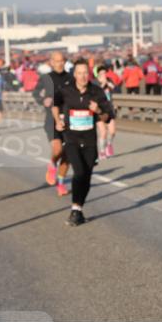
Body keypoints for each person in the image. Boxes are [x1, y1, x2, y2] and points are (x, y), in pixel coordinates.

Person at [53, 62, 112, 226]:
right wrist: (57, 121)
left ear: (89, 74)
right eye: (79, 73)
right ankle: (74, 210)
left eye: (85, 73)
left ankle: (78, 210)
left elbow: (108, 115)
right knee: (79, 172)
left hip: (90, 141)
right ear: (75, 75)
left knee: (86, 176)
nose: (83, 76)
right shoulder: (65, 91)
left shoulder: (97, 92)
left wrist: (98, 110)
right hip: (71, 139)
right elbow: (55, 105)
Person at [32, 51, 73, 197]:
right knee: (57, 150)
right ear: (51, 62)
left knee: (67, 154)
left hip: (69, 118)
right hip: (51, 118)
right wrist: (42, 100)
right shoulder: (45, 78)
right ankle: (52, 164)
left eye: (62, 60)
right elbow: (35, 92)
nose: (60, 63)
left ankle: (61, 184)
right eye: (57, 61)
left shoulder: (71, 77)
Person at [95, 66, 117, 159]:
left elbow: (114, 88)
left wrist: (107, 83)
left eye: (105, 73)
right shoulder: (95, 84)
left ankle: (109, 144)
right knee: (103, 132)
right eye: (102, 73)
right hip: (99, 111)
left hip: (109, 110)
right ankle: (102, 151)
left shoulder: (109, 81)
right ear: (98, 74)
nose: (104, 75)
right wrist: (102, 84)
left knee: (112, 131)